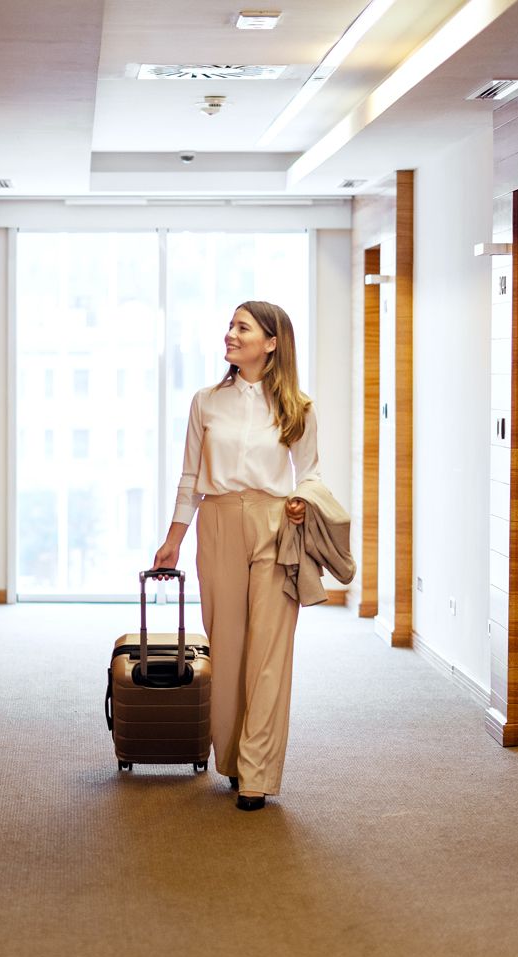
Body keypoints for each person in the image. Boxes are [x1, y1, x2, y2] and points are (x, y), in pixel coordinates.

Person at [150, 301, 318, 812]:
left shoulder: (299, 407)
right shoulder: (206, 402)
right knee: (229, 646)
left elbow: (310, 474)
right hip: (218, 523)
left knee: (270, 651)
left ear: (271, 342)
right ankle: (233, 759)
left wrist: (299, 504)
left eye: (241, 327)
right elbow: (189, 477)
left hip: (275, 523)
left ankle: (258, 774)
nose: (230, 334)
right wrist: (173, 538)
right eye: (230, 325)